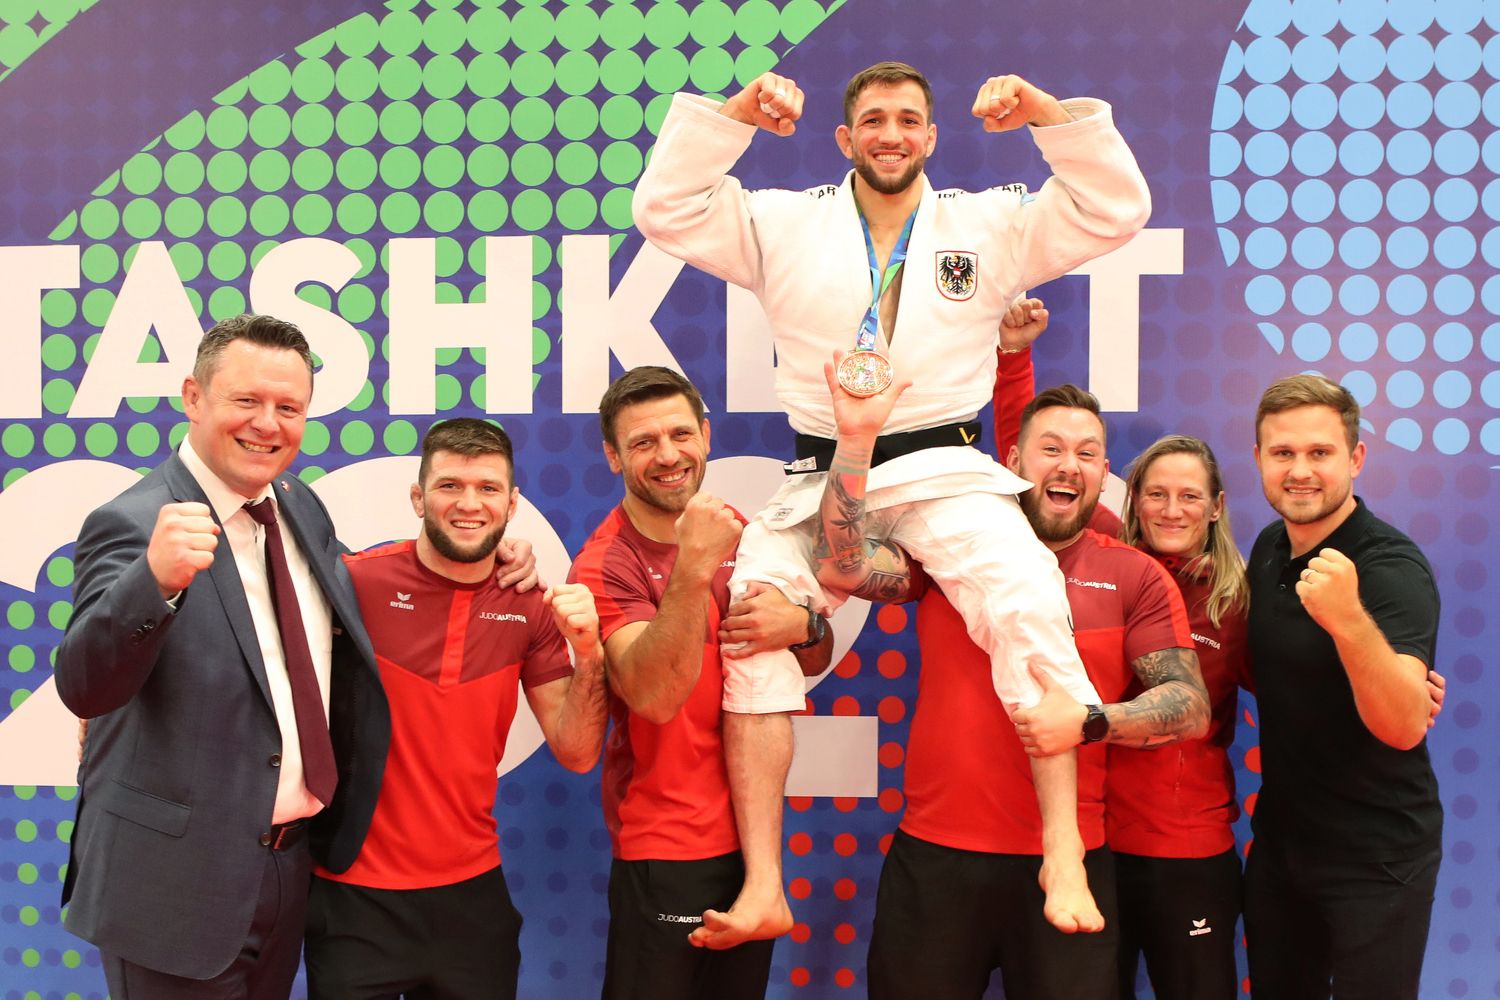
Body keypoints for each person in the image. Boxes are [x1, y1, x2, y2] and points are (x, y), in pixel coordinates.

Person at [633, 58, 1151, 939]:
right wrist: (736, 116)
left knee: (1029, 595)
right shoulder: (782, 222)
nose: (891, 135)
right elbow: (665, 209)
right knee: (753, 620)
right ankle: (764, 885)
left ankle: (1061, 847)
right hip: (822, 474)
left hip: (947, 469)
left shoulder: (990, 223)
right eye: (873, 120)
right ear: (845, 138)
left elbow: (1114, 208)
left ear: (931, 137)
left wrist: (1045, 114)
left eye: (909, 120)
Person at [812, 368, 1210, 998]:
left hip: (1070, 865)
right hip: (937, 859)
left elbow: (1188, 707)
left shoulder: (1135, 576)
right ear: (1013, 459)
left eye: (1087, 454)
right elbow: (840, 563)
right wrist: (855, 444)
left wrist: (1093, 720)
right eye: (1051, 448)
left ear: (1104, 471)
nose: (1069, 466)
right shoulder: (945, 553)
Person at [53, 314, 391, 998]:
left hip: (286, 869)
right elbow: (84, 684)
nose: (268, 424)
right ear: (193, 397)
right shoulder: (133, 521)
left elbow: (346, 602)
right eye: (247, 401)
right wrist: (152, 584)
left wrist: (477, 560)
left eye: (288, 408)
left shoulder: (300, 505)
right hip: (172, 888)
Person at [301, 418, 610, 1000]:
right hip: (352, 899)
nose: (470, 504)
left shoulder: (530, 607)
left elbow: (577, 750)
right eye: (449, 486)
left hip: (472, 899)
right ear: (418, 497)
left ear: (512, 504)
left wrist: (591, 652)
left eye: (489, 488)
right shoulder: (353, 583)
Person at [568, 367, 833, 1000]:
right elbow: (654, 697)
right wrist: (694, 564)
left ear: (706, 437)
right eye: (642, 442)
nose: (668, 456)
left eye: (681, 434)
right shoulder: (606, 563)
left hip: (754, 843)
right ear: (612, 456)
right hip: (667, 850)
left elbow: (810, 658)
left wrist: (801, 623)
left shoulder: (739, 529)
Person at [1242, 374, 1442, 998]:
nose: (1300, 471)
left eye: (1320, 453)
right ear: (1259, 460)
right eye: (1283, 453)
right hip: (1281, 849)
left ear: (1355, 458)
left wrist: (1349, 620)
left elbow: (1405, 725)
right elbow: (1269, 666)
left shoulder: (1391, 567)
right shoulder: (1270, 546)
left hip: (1376, 860)